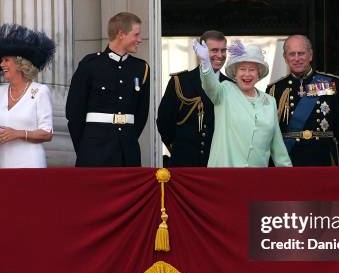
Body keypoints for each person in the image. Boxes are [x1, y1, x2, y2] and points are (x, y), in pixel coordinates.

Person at [66, 12, 150, 167]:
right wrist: (85, 148)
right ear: (121, 34)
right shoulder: (90, 64)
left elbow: (141, 114)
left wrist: (127, 138)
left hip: (127, 151)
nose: (140, 40)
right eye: (136, 34)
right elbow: (74, 113)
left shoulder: (141, 68)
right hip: (94, 150)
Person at [193, 39, 291, 167]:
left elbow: (277, 146)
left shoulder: (269, 101)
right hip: (225, 175)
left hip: (256, 178)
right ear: (235, 73)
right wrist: (206, 63)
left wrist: (289, 176)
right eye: (242, 69)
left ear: (259, 73)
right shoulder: (224, 91)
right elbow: (209, 85)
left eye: (252, 70)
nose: (247, 74)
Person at [0, 24, 55, 168]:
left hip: (29, 163)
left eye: (6, 60)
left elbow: (47, 133)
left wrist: (18, 134)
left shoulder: (39, 91)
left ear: (20, 63)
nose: (1, 64)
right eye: (1, 60)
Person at [266, 35, 339, 166]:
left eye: (301, 53)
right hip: (289, 157)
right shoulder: (275, 89)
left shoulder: (331, 83)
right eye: (292, 54)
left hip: (322, 155)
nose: (297, 58)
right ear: (285, 58)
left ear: (310, 55)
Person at [156, 30, 229, 167]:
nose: (220, 55)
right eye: (214, 50)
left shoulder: (231, 85)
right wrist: (180, 148)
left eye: (223, 50)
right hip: (184, 162)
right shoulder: (180, 82)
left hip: (218, 164)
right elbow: (165, 122)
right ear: (200, 51)